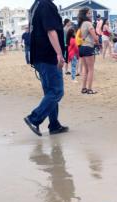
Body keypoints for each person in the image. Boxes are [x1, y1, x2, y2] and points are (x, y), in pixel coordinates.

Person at [23, 0, 68, 136]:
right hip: (48, 56)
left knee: (50, 92)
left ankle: (54, 125)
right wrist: (59, 54)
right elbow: (50, 31)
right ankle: (34, 119)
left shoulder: (36, 6)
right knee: (56, 91)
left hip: (39, 56)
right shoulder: (46, 5)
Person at [77, 7, 98, 94]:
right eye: (89, 13)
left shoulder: (81, 24)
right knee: (91, 69)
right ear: (85, 15)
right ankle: (89, 89)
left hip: (81, 47)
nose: (91, 15)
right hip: (88, 47)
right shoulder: (88, 24)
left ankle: (84, 88)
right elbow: (95, 37)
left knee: (85, 69)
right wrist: (96, 40)